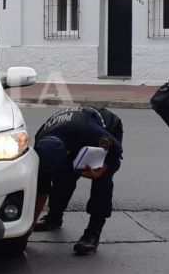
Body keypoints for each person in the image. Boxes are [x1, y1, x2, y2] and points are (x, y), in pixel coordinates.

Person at [31, 106, 124, 255]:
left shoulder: (89, 131)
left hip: (106, 132)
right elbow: (42, 187)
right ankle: (54, 218)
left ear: (66, 153)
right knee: (63, 180)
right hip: (72, 137)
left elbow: (116, 151)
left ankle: (93, 234)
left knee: (102, 184)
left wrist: (101, 171)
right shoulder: (39, 142)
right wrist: (29, 225)